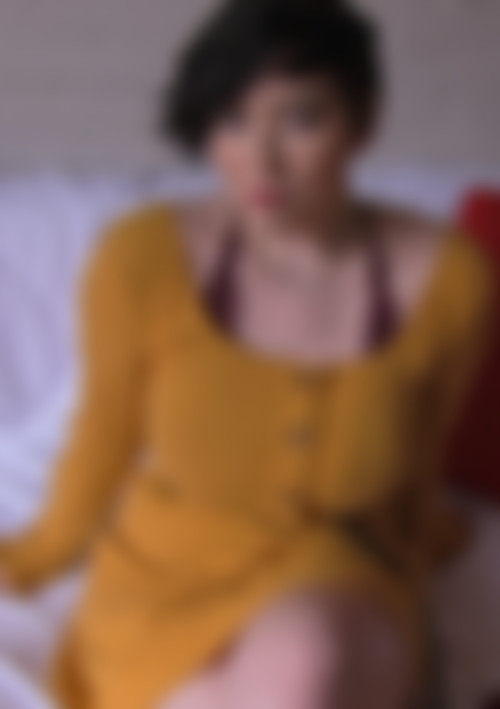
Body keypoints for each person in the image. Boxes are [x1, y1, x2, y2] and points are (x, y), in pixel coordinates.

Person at [0, 0, 494, 707]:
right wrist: (35, 554)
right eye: (233, 120)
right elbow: (101, 442)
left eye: (301, 119)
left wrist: (428, 542)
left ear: (363, 121)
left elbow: (418, 456)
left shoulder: (448, 279)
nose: (261, 159)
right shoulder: (142, 260)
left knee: (308, 661)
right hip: (167, 579)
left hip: (343, 574)